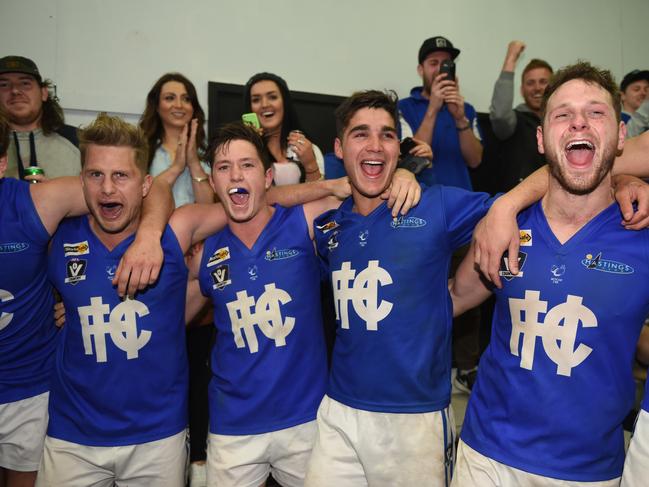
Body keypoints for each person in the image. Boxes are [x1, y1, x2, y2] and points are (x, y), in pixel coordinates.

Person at [304, 90, 547, 487]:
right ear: (338, 147)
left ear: (398, 150)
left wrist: (504, 208)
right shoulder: (329, 227)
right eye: (360, 134)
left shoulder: (435, 205)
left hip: (414, 416)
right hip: (338, 412)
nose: (374, 146)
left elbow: (531, 198)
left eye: (386, 135)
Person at [177, 121, 421, 487]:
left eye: (247, 165)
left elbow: (363, 193)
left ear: (268, 176)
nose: (235, 176)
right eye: (224, 168)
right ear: (213, 183)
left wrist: (402, 172)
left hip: (306, 418)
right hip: (234, 426)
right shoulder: (206, 252)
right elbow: (168, 321)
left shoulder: (304, 221)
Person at [450, 61, 649, 486]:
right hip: (485, 456)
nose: (579, 121)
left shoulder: (640, 233)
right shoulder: (506, 224)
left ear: (620, 136)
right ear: (541, 139)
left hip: (587, 471)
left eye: (596, 113)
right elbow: (455, 298)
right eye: (563, 114)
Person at [0, 110, 169, 487]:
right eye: (96, 175)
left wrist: (148, 237)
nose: (107, 186)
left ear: (1, 165)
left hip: (27, 392)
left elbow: (153, 187)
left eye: (118, 176)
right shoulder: (60, 232)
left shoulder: (35, 206)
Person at [399, 36, 483, 189]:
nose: (440, 70)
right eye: (433, 63)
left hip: (462, 200)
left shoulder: (467, 109)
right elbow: (410, 158)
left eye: (445, 64)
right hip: (421, 200)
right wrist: (433, 108)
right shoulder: (403, 108)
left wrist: (460, 119)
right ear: (420, 70)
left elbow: (475, 160)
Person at [0, 56, 80, 181]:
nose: (15, 91)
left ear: (44, 93)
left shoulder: (78, 141)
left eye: (25, 83)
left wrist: (55, 194)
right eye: (4, 85)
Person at [139, 72, 214, 206]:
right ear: (156, 106)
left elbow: (208, 204)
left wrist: (194, 164)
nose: (179, 105)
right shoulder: (141, 149)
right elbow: (142, 198)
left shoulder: (209, 151)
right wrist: (176, 168)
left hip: (198, 226)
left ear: (193, 107)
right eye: (169, 98)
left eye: (186, 99)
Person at [489, 41, 552, 191]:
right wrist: (511, 58)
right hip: (523, 206)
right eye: (530, 83)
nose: (537, 88)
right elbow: (500, 116)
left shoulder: (566, 122)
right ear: (522, 90)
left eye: (543, 82)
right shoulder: (515, 122)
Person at [243, 72, 324, 184]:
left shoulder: (309, 149)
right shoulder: (242, 150)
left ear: (285, 103)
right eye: (256, 100)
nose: (265, 104)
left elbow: (320, 196)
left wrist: (310, 164)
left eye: (272, 97)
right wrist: (250, 145)